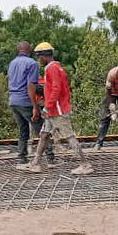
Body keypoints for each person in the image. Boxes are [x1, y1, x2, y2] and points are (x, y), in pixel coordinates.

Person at [17, 42, 92, 175]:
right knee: (44, 134)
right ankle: (35, 163)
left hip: (57, 111)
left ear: (45, 56)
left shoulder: (51, 68)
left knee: (69, 136)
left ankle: (85, 164)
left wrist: (47, 107)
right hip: (54, 110)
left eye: (40, 56)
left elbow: (56, 89)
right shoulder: (57, 67)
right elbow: (63, 89)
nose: (39, 59)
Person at [7, 42, 52, 164]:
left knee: (23, 130)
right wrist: (35, 107)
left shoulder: (12, 63)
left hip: (13, 101)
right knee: (42, 129)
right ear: (30, 50)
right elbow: (31, 86)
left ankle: (22, 157)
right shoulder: (32, 64)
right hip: (25, 101)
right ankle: (50, 157)